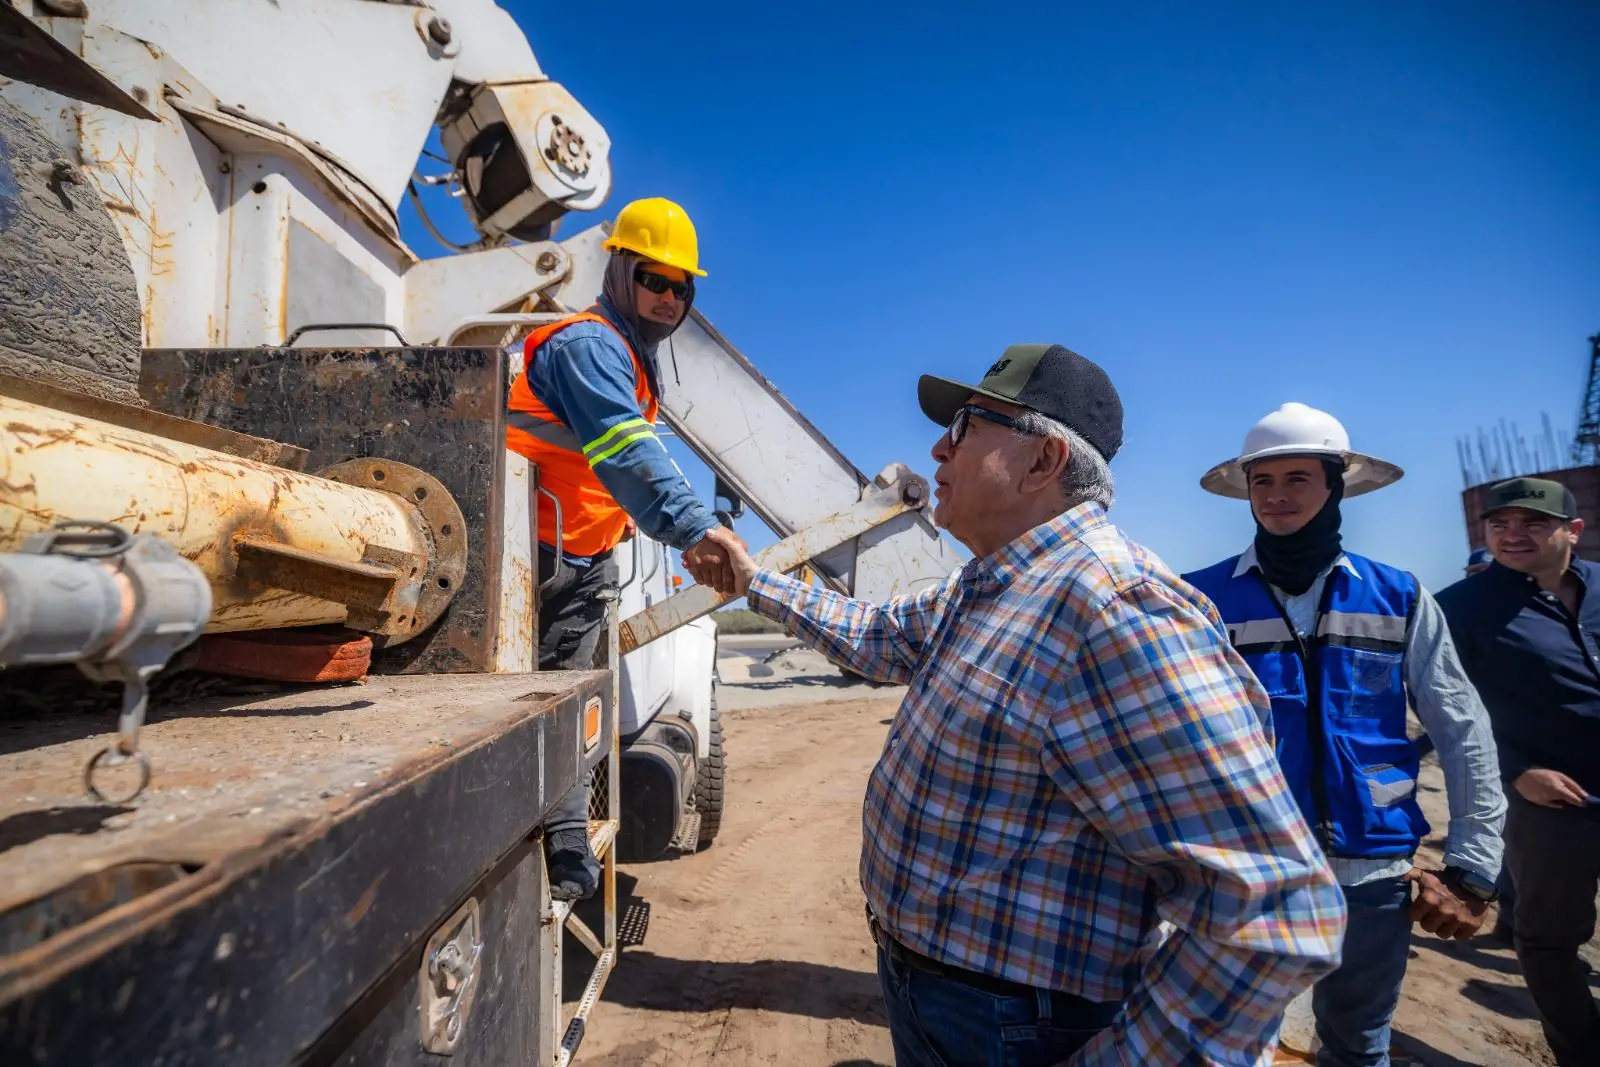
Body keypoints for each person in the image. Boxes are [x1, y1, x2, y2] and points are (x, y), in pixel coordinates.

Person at [685, 345, 1347, 1066]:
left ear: (1044, 461)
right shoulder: (991, 585)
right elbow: (877, 636)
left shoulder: (1114, 609)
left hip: (1019, 1028)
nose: (939, 446)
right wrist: (755, 582)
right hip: (941, 998)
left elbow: (1274, 910)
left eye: (966, 425)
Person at [1181, 402, 1506, 1067]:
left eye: (1298, 478)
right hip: (1245, 877)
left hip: (1373, 878)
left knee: (1358, 1045)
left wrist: (1473, 863)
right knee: (1226, 1047)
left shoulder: (1400, 597)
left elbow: (1463, 728)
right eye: (1262, 481)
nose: (1277, 496)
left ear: (1336, 485)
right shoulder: (1199, 600)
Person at [506, 197, 743, 900]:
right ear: (618, 270)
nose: (668, 298)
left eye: (682, 287)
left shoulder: (629, 357)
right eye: (653, 278)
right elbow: (626, 450)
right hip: (531, 558)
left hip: (576, 561)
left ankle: (568, 846)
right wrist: (698, 529)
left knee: (575, 706)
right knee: (548, 708)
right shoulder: (589, 346)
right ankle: (557, 846)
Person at [1437, 477, 1600, 1067]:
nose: (1512, 535)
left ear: (1572, 531)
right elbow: (1444, 712)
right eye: (1499, 525)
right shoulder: (1459, 609)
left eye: (1532, 523)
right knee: (1550, 938)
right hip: (1551, 804)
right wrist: (1518, 771)